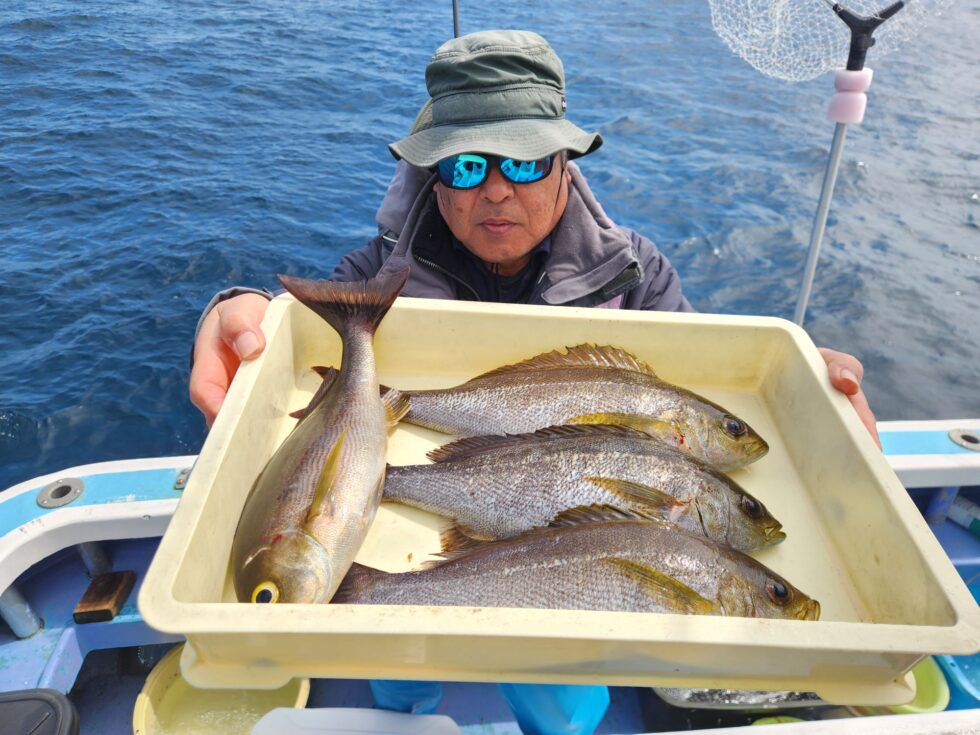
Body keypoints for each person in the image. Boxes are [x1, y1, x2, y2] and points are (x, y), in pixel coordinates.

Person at [188, 29, 880, 734]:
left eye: (523, 161)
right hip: (419, 574)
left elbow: (706, 370)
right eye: (465, 167)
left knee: (562, 705)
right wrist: (235, 309)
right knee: (396, 669)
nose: (495, 188)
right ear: (432, 176)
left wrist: (809, 386)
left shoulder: (638, 275)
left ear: (563, 165)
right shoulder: (377, 276)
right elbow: (308, 336)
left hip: (567, 605)